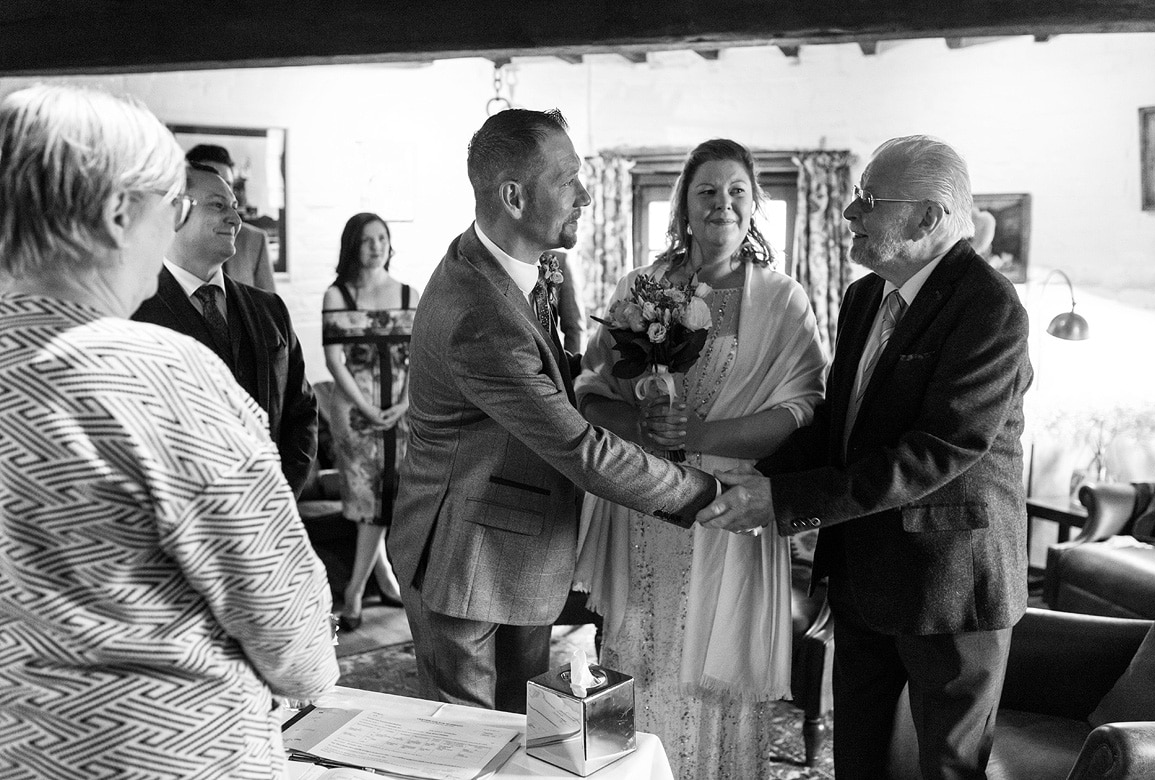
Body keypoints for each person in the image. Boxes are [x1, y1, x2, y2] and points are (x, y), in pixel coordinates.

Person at [0, 84, 337, 779]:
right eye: (172, 208)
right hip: (155, 755)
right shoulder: (158, 374)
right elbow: (291, 634)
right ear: (119, 212)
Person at [701, 135, 1033, 779]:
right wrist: (760, 474)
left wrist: (786, 502)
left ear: (927, 218)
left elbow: (937, 451)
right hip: (862, 575)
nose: (849, 215)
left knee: (947, 768)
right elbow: (840, 426)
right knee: (859, 762)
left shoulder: (990, 308)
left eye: (868, 201)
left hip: (950, 585)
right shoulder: (863, 297)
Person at [389, 108, 720, 714]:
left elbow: (535, 375)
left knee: (527, 732)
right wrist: (706, 493)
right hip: (465, 561)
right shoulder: (477, 311)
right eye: (568, 179)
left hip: (519, 544)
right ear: (514, 197)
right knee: (471, 747)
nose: (587, 195)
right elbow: (581, 450)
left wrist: (601, 377)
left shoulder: (510, 266)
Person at [572, 139, 826, 780]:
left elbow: (801, 411)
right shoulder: (641, 290)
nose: (723, 204)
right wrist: (642, 423)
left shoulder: (783, 300)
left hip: (728, 511)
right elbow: (590, 393)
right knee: (640, 651)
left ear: (754, 205)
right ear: (684, 204)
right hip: (645, 505)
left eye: (737, 191)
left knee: (713, 664)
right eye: (707, 191)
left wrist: (701, 431)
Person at [132, 164, 317, 498]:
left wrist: (280, 495)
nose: (235, 219)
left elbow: (301, 412)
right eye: (218, 205)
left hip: (268, 513)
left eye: (235, 207)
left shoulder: (268, 309)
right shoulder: (134, 312)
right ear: (175, 211)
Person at [322, 212, 416, 630]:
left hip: (400, 413)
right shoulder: (337, 295)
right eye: (366, 239)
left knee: (386, 499)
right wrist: (365, 407)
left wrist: (404, 401)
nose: (376, 246)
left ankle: (384, 581)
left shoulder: (409, 293)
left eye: (382, 238)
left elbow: (419, 356)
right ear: (352, 246)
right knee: (369, 503)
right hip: (354, 415)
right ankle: (356, 595)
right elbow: (334, 360)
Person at [184, 144, 276, 291]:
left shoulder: (254, 240)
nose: (224, 191)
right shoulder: (164, 241)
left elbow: (268, 307)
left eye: (228, 185)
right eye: (215, 182)